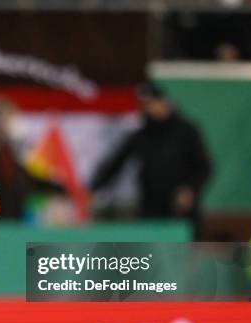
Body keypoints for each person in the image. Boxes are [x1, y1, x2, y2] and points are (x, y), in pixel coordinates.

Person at [91, 83, 212, 237]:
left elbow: (204, 167)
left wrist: (190, 189)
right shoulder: (141, 136)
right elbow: (115, 164)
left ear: (164, 102)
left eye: (151, 103)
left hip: (180, 209)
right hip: (150, 209)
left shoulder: (187, 131)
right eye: (144, 105)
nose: (149, 109)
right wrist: (92, 188)